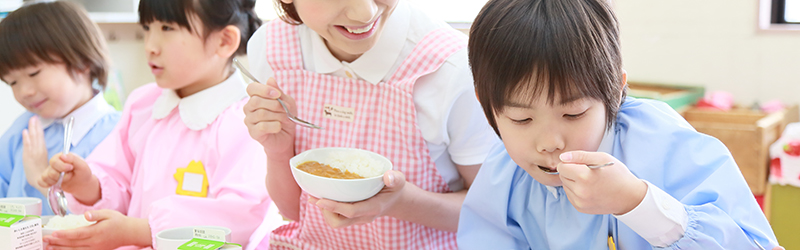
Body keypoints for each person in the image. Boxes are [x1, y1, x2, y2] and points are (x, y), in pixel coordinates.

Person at [457, 0, 781, 249]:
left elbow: (750, 242)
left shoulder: (662, 142)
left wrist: (635, 202)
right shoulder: (503, 174)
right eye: (521, 119)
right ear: (488, 111)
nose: (549, 142)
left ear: (615, 90)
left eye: (573, 114)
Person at [242, 0, 499, 248]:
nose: (364, 13)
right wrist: (278, 150)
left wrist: (403, 202)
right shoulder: (271, 48)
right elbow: (293, 211)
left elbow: (489, 212)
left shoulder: (452, 68)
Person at [37, 0, 270, 248]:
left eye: (167, 29)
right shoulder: (143, 104)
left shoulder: (246, 120)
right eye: (147, 28)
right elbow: (119, 181)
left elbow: (242, 217)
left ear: (224, 41)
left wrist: (141, 231)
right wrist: (88, 185)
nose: (150, 47)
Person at [0, 1, 120, 216]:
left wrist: (41, 180)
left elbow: (108, 223)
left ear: (81, 61)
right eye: (12, 83)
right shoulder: (23, 130)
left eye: (34, 73)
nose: (23, 92)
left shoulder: (118, 133)